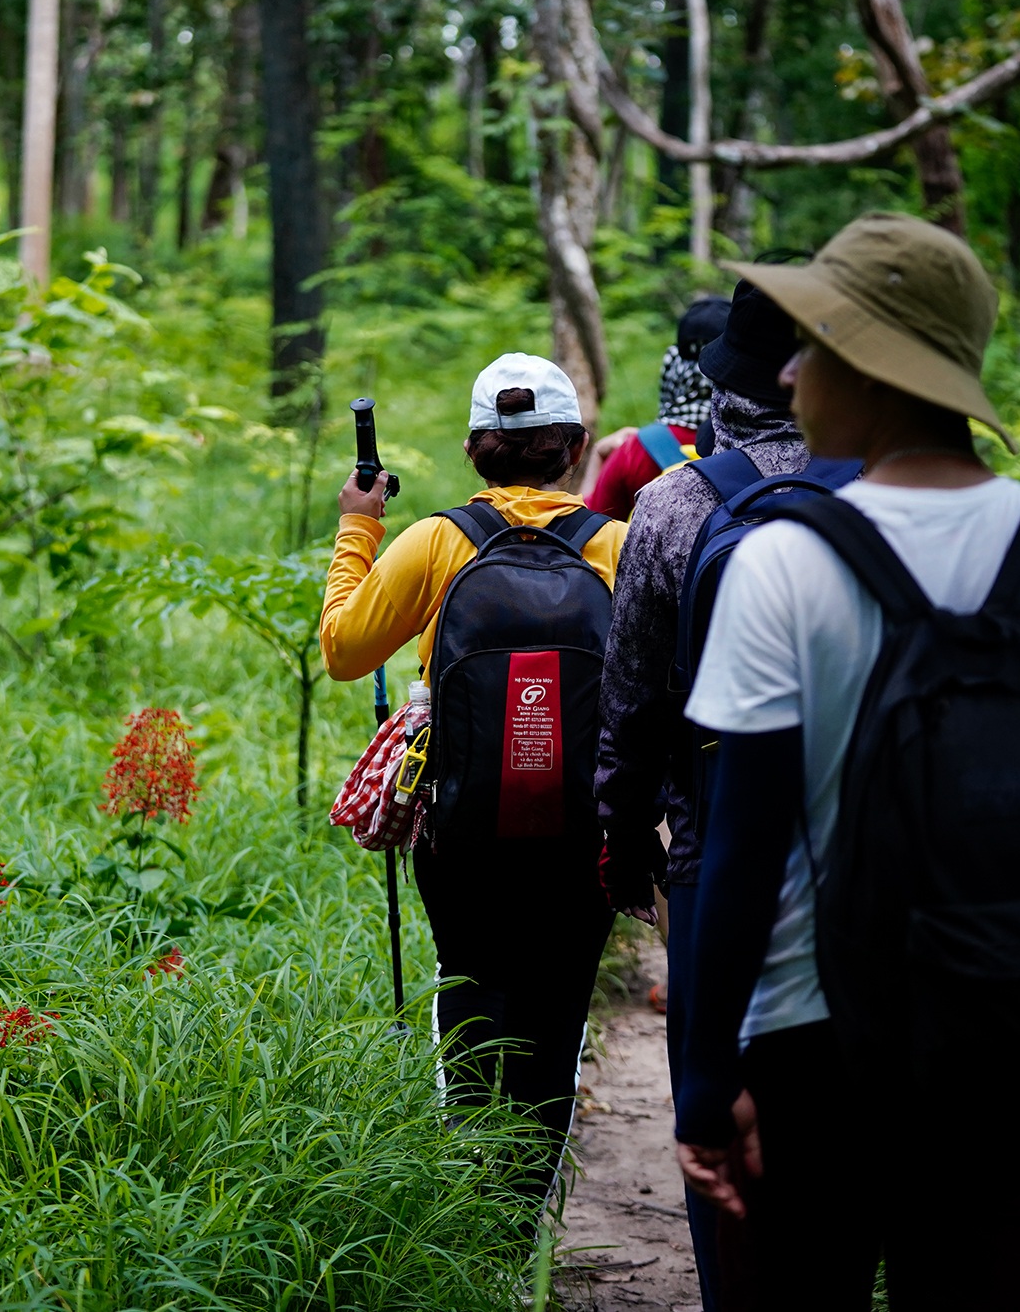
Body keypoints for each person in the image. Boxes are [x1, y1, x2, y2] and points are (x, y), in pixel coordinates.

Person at [674, 213, 1020, 1308]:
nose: (790, 368)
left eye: (816, 341)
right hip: (1018, 1029)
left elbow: (741, 846)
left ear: (876, 370)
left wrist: (705, 1078)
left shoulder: (783, 564)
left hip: (818, 1037)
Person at [321, 352, 627, 1220]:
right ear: (573, 446)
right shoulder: (616, 543)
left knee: (473, 985)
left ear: (473, 449)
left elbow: (344, 651)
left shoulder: (437, 541)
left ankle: (471, 1205)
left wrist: (357, 527)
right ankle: (527, 1207)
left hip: (462, 829)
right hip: (582, 829)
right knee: (557, 1008)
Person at [591, 280, 816, 1310]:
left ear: (718, 384)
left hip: (714, 842)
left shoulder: (676, 504)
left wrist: (622, 834)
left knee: (718, 1118)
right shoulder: (881, 489)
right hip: (878, 860)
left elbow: (629, 700)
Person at [586, 298, 731, 519]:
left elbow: (585, 536)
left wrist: (598, 456)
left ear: (672, 369)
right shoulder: (765, 447)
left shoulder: (634, 450)